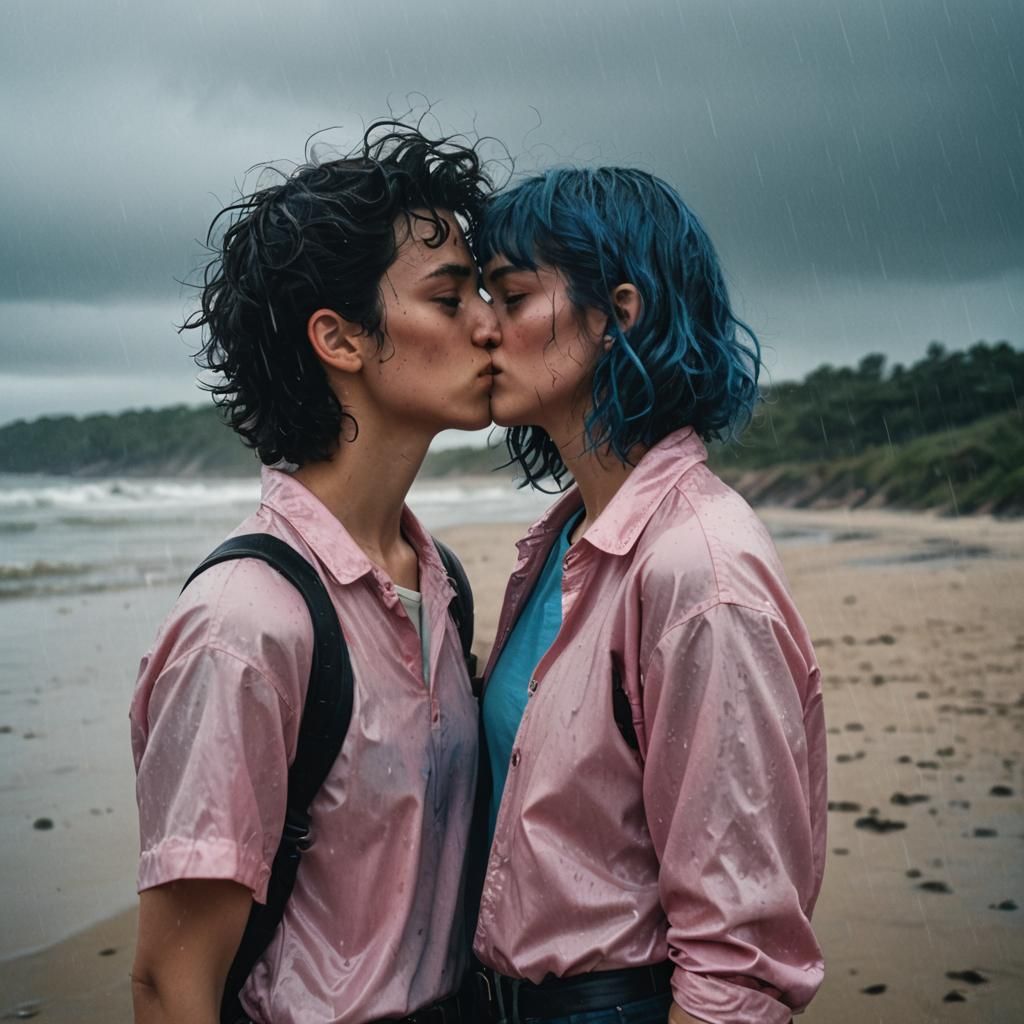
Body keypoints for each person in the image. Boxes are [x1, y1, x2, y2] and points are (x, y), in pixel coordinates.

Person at [128, 123, 500, 1024]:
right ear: (339, 339)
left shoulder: (439, 582)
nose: (492, 323)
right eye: (450, 300)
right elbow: (171, 980)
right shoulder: (245, 623)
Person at [473, 168, 827, 1024]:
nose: (482, 328)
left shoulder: (700, 569)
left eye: (512, 297)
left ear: (615, 315)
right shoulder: (568, 541)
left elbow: (740, 954)